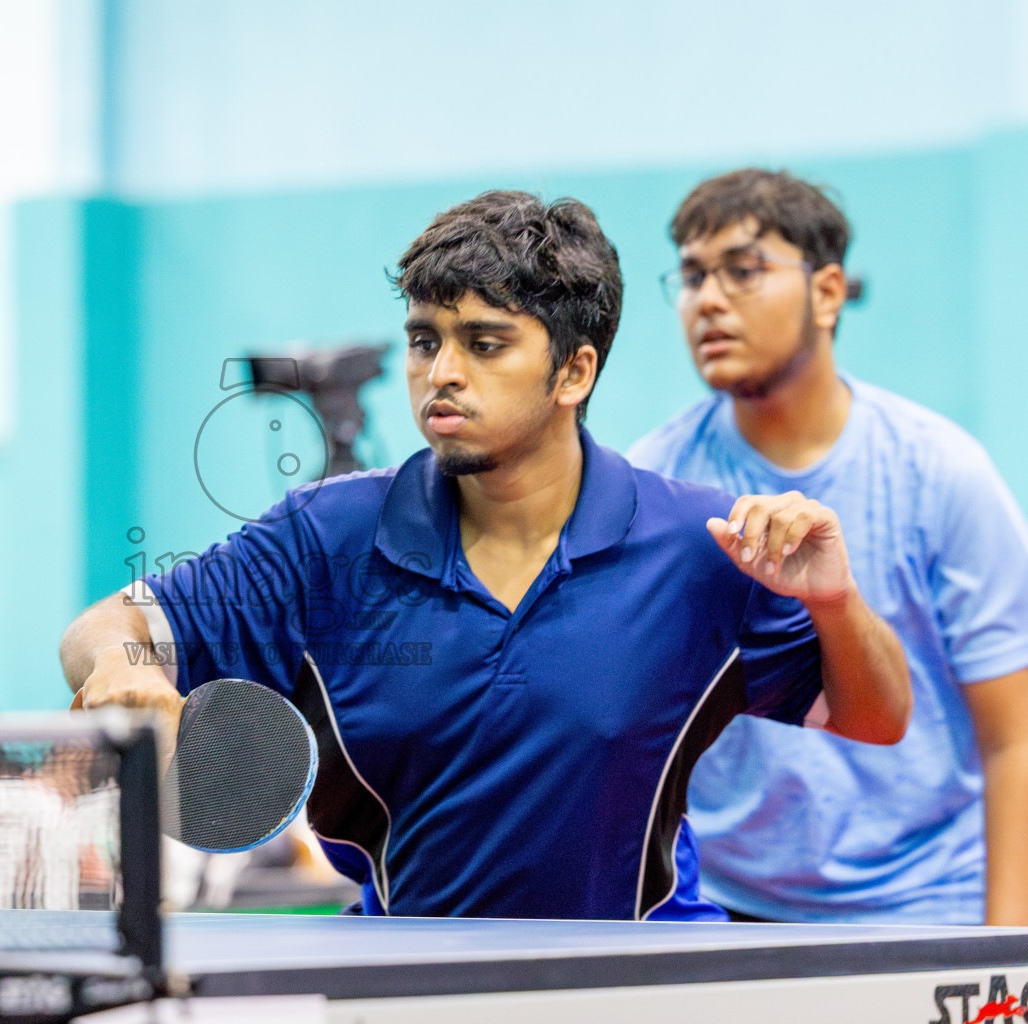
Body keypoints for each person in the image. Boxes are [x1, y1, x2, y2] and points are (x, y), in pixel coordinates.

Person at [61, 190, 911, 920]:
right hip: (408, 983)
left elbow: (876, 717)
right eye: (426, 340)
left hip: (645, 980)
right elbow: (105, 626)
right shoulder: (327, 536)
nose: (442, 373)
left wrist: (835, 603)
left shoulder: (702, 547)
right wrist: (122, 666)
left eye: (485, 343)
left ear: (573, 372)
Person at [628, 169, 1028, 925]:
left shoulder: (940, 471)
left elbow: (1018, 735)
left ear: (826, 294)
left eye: (743, 270)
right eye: (691, 277)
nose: (709, 300)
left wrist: (1008, 961)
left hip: (921, 906)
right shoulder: (655, 481)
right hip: (719, 909)